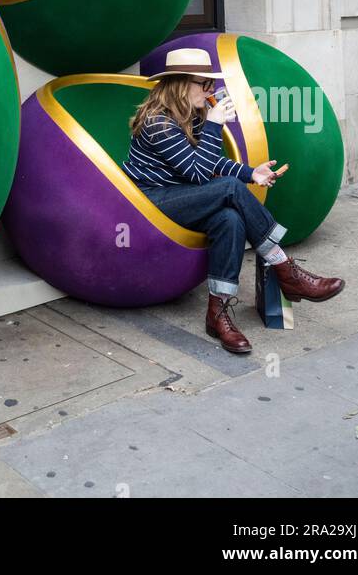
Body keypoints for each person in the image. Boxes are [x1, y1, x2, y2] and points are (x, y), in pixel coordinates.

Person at [121, 47, 345, 354]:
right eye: (204, 84)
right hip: (150, 206)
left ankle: (218, 312)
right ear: (181, 83)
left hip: (183, 197)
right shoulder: (157, 123)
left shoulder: (189, 116)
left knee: (230, 218)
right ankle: (285, 267)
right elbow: (201, 174)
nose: (210, 91)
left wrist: (253, 174)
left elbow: (211, 163)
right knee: (227, 189)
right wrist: (215, 124)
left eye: (210, 85)